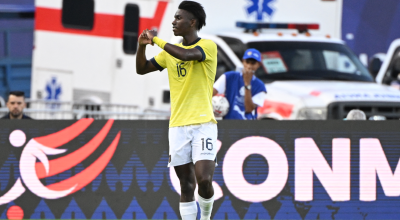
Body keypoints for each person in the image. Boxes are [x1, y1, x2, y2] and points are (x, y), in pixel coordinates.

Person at [135, 1, 217, 220]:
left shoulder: (208, 46)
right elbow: (141, 69)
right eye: (174, 17)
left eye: (179, 18)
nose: (173, 21)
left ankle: (206, 217)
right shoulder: (168, 52)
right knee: (186, 185)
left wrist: (156, 40)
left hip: (203, 124)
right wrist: (142, 46)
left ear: (193, 22)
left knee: (204, 181)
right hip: (178, 126)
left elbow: (186, 55)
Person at [213, 48, 267, 119]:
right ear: (243, 61)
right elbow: (210, 93)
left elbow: (249, 109)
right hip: (227, 123)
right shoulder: (229, 76)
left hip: (246, 126)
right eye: (247, 62)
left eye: (253, 63)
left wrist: (247, 83)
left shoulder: (260, 86)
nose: (249, 66)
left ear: (258, 64)